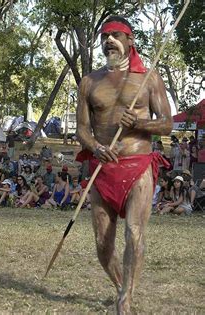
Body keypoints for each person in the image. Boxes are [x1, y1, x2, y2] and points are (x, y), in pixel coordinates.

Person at [75, 16, 172, 312]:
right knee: (104, 245)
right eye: (105, 36)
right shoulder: (89, 82)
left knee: (134, 233)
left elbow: (167, 124)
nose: (109, 40)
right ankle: (121, 285)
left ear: (130, 41)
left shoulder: (149, 78)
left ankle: (125, 300)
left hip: (138, 165)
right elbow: (81, 129)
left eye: (116, 35)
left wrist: (140, 122)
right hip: (103, 169)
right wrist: (95, 147)